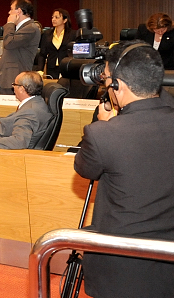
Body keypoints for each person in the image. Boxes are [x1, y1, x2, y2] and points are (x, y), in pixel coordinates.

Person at [74, 41, 174, 298]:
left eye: (107, 79)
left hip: (121, 268)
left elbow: (85, 168)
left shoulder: (103, 134)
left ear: (118, 86)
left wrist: (107, 122)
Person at [0, 0, 41, 94]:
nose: (9, 12)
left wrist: (10, 23)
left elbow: (9, 43)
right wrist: (1, 58)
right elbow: (15, 50)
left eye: (11, 9)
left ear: (18, 11)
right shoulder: (18, 28)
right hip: (8, 77)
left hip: (17, 79)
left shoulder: (30, 28)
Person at [38, 8, 77, 77]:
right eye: (52, 17)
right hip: (51, 68)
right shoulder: (47, 34)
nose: (53, 19)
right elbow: (42, 54)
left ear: (65, 20)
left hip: (66, 66)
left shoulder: (73, 34)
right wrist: (40, 70)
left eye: (57, 17)